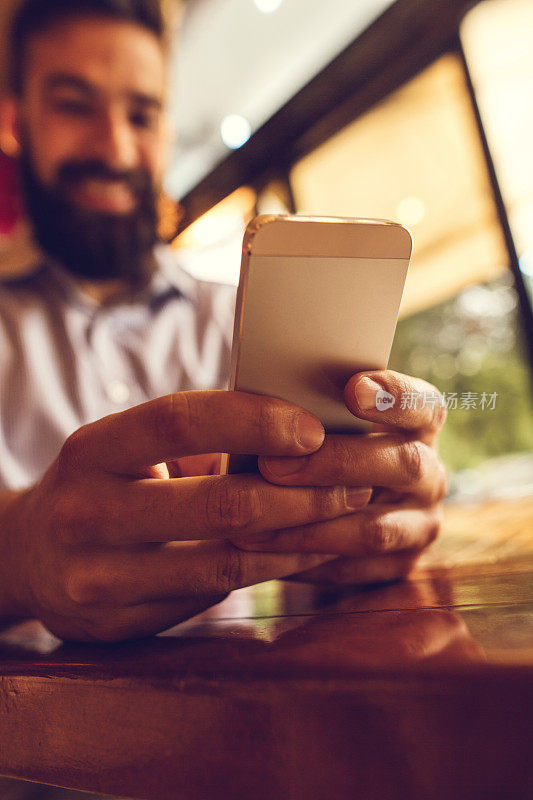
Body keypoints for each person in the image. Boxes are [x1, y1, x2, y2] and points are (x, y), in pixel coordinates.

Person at [0, 0, 447, 644]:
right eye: (74, 104)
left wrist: (371, 530)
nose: (116, 147)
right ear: (16, 121)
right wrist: (17, 556)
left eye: (142, 115)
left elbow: (311, 580)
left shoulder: (239, 316)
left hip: (240, 720)